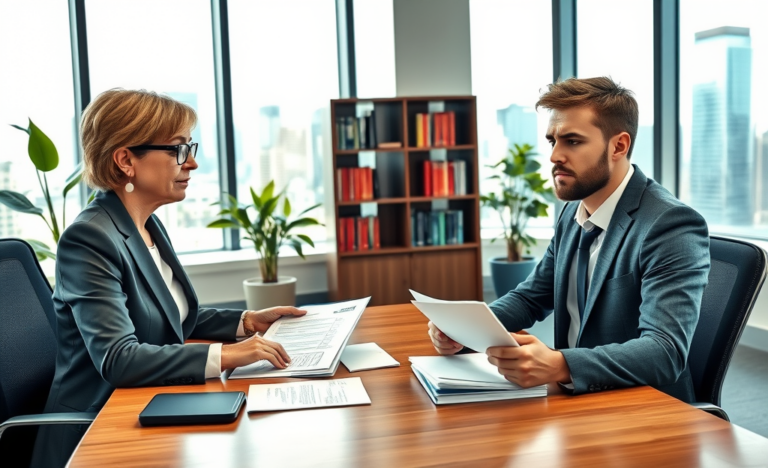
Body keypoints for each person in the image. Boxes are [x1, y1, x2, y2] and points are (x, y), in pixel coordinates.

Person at [32, 89, 305, 467]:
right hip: (98, 432)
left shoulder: (145, 225)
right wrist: (226, 355)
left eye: (189, 147)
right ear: (126, 160)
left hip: (148, 407)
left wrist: (245, 322)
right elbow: (118, 358)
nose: (191, 163)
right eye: (178, 149)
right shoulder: (90, 237)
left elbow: (165, 315)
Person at [429, 77, 710, 402]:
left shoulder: (669, 224)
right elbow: (532, 297)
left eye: (573, 142)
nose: (554, 156)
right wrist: (467, 329)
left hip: (643, 407)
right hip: (576, 396)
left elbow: (664, 352)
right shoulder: (573, 213)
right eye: (552, 141)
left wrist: (559, 364)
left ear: (618, 146)